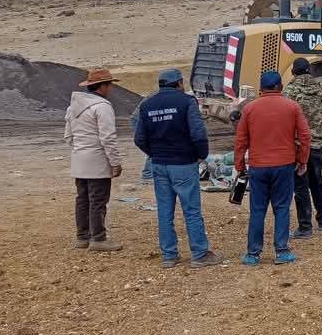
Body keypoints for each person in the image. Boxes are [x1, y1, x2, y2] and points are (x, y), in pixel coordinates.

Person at [133, 68, 223, 269]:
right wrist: (201, 154)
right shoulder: (187, 102)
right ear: (180, 83)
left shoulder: (147, 105)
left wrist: (154, 153)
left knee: (165, 211)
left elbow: (139, 138)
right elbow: (198, 133)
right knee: (191, 210)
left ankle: (169, 255)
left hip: (159, 164)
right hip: (183, 163)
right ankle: (199, 253)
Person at [234, 71, 311, 266]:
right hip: (284, 165)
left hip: (258, 166)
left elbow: (241, 140)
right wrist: (302, 160)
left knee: (257, 210)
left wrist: (240, 165)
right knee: (282, 208)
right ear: (280, 87)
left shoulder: (250, 109)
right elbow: (305, 136)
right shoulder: (292, 107)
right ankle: (282, 251)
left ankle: (253, 254)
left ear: (261, 88)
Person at [65, 67, 124, 252]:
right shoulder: (103, 107)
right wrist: (115, 162)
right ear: (103, 86)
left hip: (79, 159)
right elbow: (108, 137)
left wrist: (80, 150)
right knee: (98, 200)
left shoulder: (73, 106)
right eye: (109, 85)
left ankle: (83, 237)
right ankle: (98, 238)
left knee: (82, 199)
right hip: (97, 160)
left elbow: (68, 136)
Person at [283, 58, 322, 238]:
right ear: (309, 70)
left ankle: (305, 227)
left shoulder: (290, 90)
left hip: (298, 145)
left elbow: (285, 117)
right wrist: (321, 133)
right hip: (317, 144)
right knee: (318, 182)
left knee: (301, 186)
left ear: (293, 72)